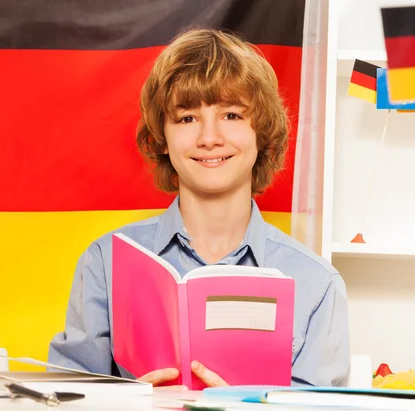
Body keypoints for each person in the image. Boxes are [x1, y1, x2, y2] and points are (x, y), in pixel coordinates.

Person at [48, 27, 350, 388]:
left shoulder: (318, 283)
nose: (209, 138)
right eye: (187, 118)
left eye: (232, 116)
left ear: (262, 132)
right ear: (162, 138)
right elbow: (65, 399)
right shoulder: (105, 262)